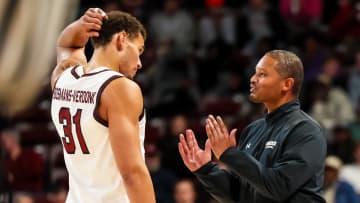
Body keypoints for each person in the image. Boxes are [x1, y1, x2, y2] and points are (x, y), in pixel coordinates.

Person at [178, 50, 327, 202]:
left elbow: (279, 187)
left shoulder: (305, 130)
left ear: (287, 84)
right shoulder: (252, 130)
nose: (253, 79)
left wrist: (229, 154)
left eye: (262, 74)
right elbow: (239, 195)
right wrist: (205, 169)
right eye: (255, 73)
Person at [50, 8, 155, 203]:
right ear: (122, 39)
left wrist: (81, 24)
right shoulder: (119, 88)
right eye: (138, 50)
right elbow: (132, 173)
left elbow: (67, 45)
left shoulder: (64, 77)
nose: (139, 63)